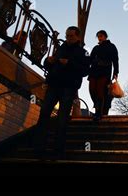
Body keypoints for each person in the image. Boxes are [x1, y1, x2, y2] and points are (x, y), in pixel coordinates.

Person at [34, 26, 90, 158]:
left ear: (78, 37)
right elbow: (49, 65)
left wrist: (69, 64)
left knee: (62, 119)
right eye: (67, 36)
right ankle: (39, 147)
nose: (68, 38)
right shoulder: (61, 48)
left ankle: (58, 150)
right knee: (44, 114)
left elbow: (85, 71)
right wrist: (48, 61)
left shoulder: (83, 52)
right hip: (54, 85)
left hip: (68, 88)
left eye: (71, 36)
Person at [87, 30, 119, 121]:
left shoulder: (111, 46)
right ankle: (97, 106)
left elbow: (115, 60)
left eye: (101, 36)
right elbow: (90, 60)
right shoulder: (96, 48)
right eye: (98, 36)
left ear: (105, 36)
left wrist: (116, 72)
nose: (99, 38)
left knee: (100, 91)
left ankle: (98, 112)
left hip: (104, 71)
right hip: (94, 71)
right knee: (92, 90)